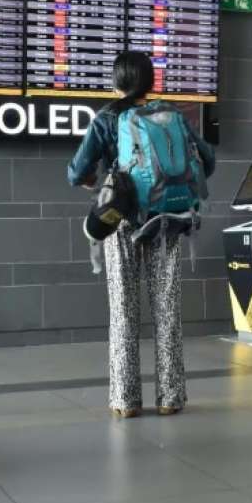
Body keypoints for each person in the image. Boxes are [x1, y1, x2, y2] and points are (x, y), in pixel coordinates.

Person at [67, 51, 215, 418]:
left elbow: (76, 172)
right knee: (168, 310)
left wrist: (94, 179)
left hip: (124, 222)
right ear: (150, 82)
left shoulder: (106, 119)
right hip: (167, 219)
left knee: (124, 310)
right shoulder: (172, 116)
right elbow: (207, 161)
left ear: (117, 82)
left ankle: (125, 400)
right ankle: (171, 397)